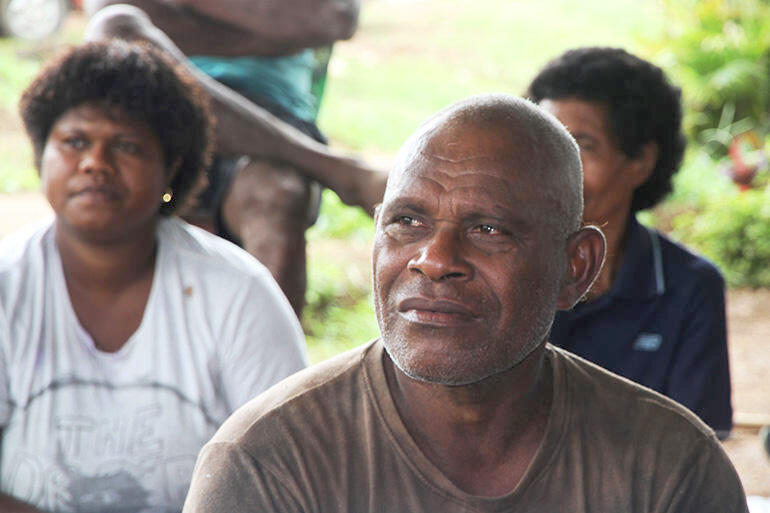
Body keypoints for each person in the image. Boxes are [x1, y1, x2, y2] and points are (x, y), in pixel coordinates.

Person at [182, 94, 748, 512]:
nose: (433, 258)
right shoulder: (266, 463)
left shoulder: (670, 468)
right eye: (407, 221)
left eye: (488, 229)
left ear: (574, 268)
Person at [0, 40, 307, 513]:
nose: (94, 163)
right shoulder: (7, 285)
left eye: (125, 146)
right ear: (42, 155)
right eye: (74, 142)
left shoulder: (238, 293)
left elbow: (289, 473)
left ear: (172, 170)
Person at [82, 0, 389, 316]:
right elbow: (110, 11)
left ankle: (275, 363)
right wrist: (270, 35)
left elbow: (334, 18)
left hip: (275, 113)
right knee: (116, 27)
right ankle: (334, 169)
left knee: (277, 192)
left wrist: (179, 21)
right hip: (161, 106)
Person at [527, 47, 733, 438]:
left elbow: (698, 446)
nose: (556, 169)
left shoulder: (688, 287)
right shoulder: (503, 269)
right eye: (546, 143)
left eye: (582, 146)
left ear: (641, 161)